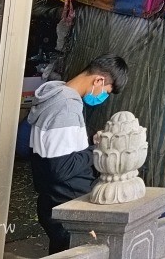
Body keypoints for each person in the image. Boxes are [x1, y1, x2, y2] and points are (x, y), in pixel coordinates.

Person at [28, 54, 128, 254]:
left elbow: (56, 150)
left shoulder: (57, 95)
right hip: (67, 205)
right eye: (106, 92)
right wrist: (98, 150)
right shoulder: (67, 106)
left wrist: (90, 142)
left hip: (52, 199)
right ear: (98, 80)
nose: (103, 97)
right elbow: (61, 167)